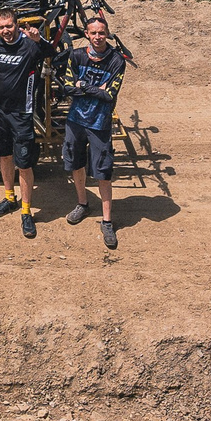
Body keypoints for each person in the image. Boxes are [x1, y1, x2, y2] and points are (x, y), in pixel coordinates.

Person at [0, 6, 53, 239]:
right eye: (1, 27)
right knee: (4, 156)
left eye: (10, 26)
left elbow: (50, 51)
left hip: (22, 113)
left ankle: (26, 211)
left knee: (24, 164)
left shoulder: (29, 44)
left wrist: (38, 39)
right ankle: (9, 198)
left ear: (17, 24)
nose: (6, 31)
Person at [60, 13, 131, 249]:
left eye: (102, 32)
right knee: (76, 163)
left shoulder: (116, 60)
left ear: (107, 33)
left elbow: (110, 94)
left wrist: (84, 85)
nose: (98, 37)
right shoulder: (76, 55)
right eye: (94, 33)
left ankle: (107, 220)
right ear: (87, 35)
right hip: (76, 120)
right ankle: (82, 203)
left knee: (103, 171)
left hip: (100, 123)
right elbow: (68, 88)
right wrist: (95, 88)